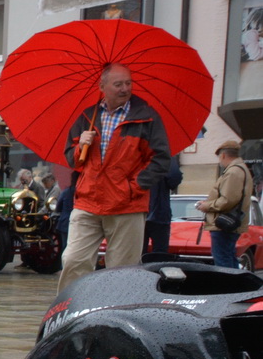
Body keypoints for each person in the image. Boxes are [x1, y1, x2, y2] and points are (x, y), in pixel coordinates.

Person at [57, 62, 170, 292]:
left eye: (128, 83)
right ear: (102, 86)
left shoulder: (147, 118)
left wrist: (133, 187)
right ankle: (69, 311)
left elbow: (161, 159)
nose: (125, 88)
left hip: (126, 205)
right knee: (73, 261)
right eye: (118, 84)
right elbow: (72, 159)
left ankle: (116, 315)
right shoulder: (87, 117)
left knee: (122, 270)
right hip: (88, 201)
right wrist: (81, 147)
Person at [195, 141, 254, 269]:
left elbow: (228, 200)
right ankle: (236, 286)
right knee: (228, 256)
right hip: (229, 222)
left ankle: (229, 287)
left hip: (223, 223)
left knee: (222, 260)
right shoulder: (240, 169)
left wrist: (207, 206)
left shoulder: (233, 172)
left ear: (223, 155)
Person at [144, 153, 183, 257]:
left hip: (136, 212)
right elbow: (174, 178)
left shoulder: (134, 153)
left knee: (136, 253)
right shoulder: (165, 155)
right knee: (160, 254)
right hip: (159, 212)